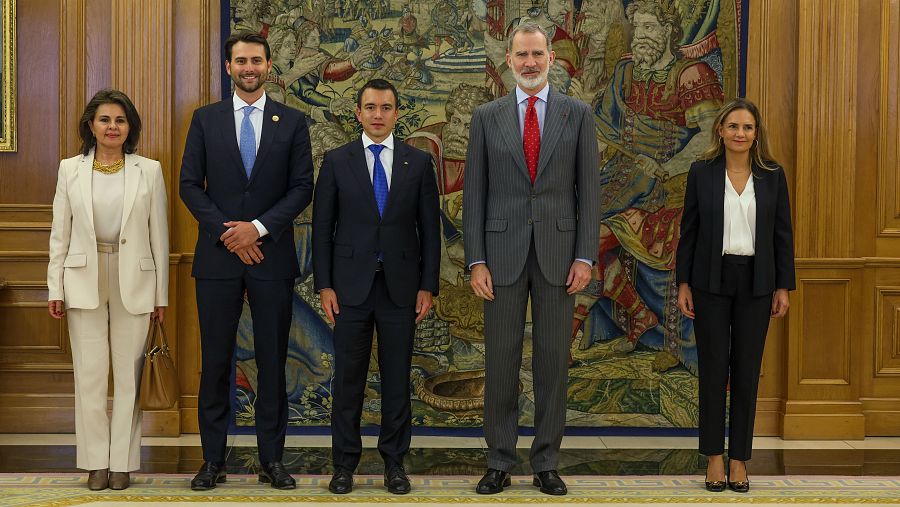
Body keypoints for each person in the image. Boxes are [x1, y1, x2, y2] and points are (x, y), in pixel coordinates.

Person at [463, 22, 600, 496]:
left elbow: (589, 192)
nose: (529, 62)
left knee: (551, 365)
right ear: (508, 59)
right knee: (500, 362)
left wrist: (585, 255)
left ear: (551, 59)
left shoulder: (577, 114)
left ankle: (546, 462)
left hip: (561, 258)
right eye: (521, 54)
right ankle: (499, 460)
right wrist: (475, 260)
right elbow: (474, 194)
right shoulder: (487, 116)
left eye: (537, 54)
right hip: (499, 257)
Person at [179, 31, 314, 491]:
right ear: (228, 67)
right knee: (216, 361)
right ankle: (212, 460)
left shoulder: (292, 122)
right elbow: (190, 185)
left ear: (269, 66)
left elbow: (301, 187)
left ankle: (271, 461)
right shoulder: (205, 120)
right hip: (217, 260)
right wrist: (229, 233)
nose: (249, 68)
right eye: (241, 61)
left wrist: (255, 229)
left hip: (270, 257)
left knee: (272, 362)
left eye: (257, 60)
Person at [312, 79, 440, 495]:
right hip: (349, 289)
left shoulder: (418, 163)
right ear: (358, 113)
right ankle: (344, 464)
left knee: (397, 379)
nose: (378, 114)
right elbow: (322, 229)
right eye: (370, 107)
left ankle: (394, 464)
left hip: (401, 290)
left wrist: (428, 287)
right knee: (348, 378)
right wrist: (325, 285)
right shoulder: (337, 160)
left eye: (386, 107)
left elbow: (430, 231)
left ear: (397, 113)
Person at [47, 89, 169, 491]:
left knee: (131, 377)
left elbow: (160, 239)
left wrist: (160, 297)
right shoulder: (70, 169)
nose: (112, 127)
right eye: (104, 120)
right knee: (91, 376)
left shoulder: (149, 170)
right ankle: (96, 462)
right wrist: (55, 288)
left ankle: (123, 463)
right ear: (90, 126)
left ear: (129, 126)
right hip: (83, 278)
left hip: (135, 279)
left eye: (120, 120)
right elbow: (59, 235)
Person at [676, 98, 795, 493]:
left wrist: (782, 286)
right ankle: (713, 458)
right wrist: (683, 284)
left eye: (747, 128)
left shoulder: (773, 175)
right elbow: (688, 232)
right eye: (732, 127)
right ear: (720, 132)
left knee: (746, 371)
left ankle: (740, 460)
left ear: (756, 133)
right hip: (709, 280)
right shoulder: (702, 173)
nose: (740, 134)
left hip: (758, 283)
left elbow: (782, 234)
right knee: (713, 370)